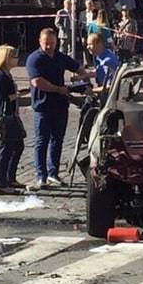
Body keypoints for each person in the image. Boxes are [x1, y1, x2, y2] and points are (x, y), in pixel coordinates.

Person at [25, 27, 95, 191]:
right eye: (46, 43)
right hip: (43, 106)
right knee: (42, 141)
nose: (49, 46)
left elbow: (77, 67)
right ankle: (41, 176)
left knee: (57, 140)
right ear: (40, 42)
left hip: (60, 106)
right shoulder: (34, 59)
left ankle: (53, 173)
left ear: (56, 42)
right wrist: (58, 89)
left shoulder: (59, 57)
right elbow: (37, 82)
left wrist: (83, 78)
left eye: (52, 43)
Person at [0, 45, 26, 195]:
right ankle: (1, 183)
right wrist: (19, 95)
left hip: (11, 115)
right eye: (14, 56)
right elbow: (1, 98)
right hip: (4, 117)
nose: (17, 59)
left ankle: (11, 177)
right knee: (6, 149)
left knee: (18, 146)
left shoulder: (5, 74)